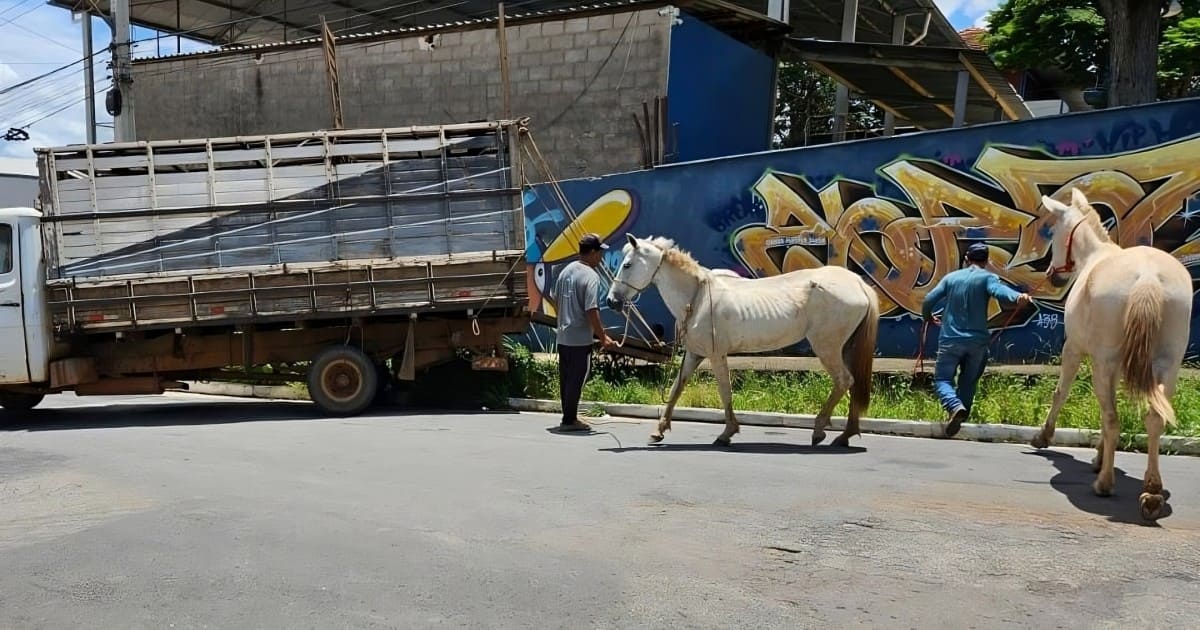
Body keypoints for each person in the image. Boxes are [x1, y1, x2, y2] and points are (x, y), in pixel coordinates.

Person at [921, 242, 1033, 437]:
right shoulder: (988, 278)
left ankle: (954, 406)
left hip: (950, 340)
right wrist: (1018, 297)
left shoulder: (951, 278)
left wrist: (927, 317)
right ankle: (961, 415)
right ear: (987, 261)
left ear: (966, 260)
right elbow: (1000, 292)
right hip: (977, 342)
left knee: (942, 379)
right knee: (968, 381)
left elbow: (929, 299)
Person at [551, 232, 617, 432]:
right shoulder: (591, 276)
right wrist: (603, 336)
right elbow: (591, 310)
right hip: (580, 338)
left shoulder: (565, 271)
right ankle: (569, 420)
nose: (601, 258)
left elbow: (555, 299)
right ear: (593, 252)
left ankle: (568, 417)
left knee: (567, 378)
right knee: (577, 379)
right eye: (600, 253)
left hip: (563, 335)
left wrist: (565, 318)